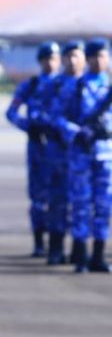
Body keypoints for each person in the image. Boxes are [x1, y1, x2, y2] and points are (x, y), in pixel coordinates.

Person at [5, 41, 61, 257]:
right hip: (38, 147)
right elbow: (11, 112)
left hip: (60, 147)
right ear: (40, 61)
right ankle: (39, 242)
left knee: (60, 197)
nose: (50, 63)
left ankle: (58, 244)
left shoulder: (67, 84)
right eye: (46, 58)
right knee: (38, 197)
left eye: (54, 58)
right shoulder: (32, 85)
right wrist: (29, 126)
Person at [61, 38, 111, 272]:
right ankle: (80, 256)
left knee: (104, 206)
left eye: (104, 56)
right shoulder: (75, 86)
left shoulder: (109, 87)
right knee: (81, 205)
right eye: (95, 56)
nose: (100, 60)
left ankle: (98, 256)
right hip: (81, 154)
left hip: (106, 155)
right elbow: (57, 117)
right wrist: (77, 131)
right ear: (88, 59)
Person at [43, 41, 86, 264]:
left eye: (76, 56)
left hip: (84, 154)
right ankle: (56, 249)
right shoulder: (55, 85)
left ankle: (80, 251)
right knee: (57, 201)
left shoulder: (92, 85)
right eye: (68, 56)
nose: (72, 61)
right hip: (58, 152)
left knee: (82, 202)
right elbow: (45, 114)